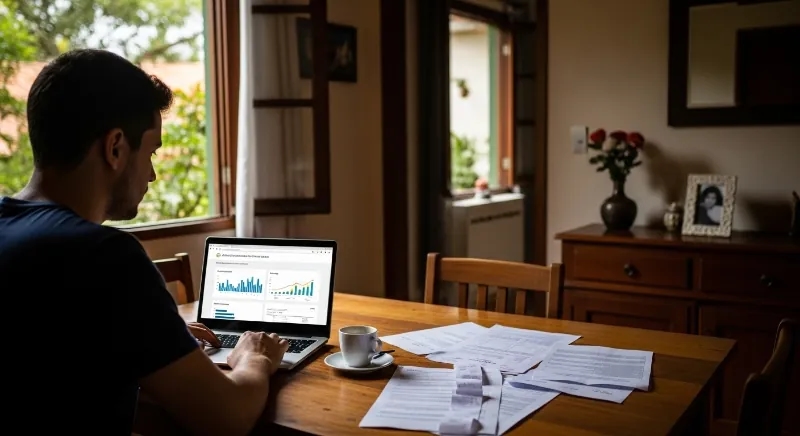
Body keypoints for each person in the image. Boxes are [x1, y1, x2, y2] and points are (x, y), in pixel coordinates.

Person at [0, 49, 288, 435]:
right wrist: (255, 358)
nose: (151, 174)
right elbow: (228, 418)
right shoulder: (105, 256)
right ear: (116, 147)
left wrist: (158, 337)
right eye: (151, 152)